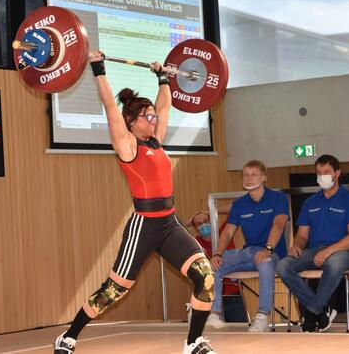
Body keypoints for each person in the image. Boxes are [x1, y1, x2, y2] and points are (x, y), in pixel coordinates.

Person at [53, 51, 216, 354]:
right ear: (132, 121)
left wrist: (163, 77)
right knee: (113, 292)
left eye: (154, 116)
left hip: (169, 223)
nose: (154, 120)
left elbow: (165, 105)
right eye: (147, 117)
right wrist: (98, 68)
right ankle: (68, 337)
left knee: (205, 278)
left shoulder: (156, 140)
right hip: (144, 226)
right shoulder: (127, 146)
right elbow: (111, 108)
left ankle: (193, 343)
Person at [276, 154, 349, 333]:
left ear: (337, 173)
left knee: (333, 262)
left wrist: (329, 251)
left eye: (326, 172)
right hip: (314, 250)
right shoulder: (311, 202)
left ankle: (311, 313)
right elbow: (302, 236)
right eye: (319, 172)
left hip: (343, 251)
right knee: (283, 266)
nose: (322, 176)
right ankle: (321, 309)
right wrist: (297, 246)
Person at [208, 160, 289, 332]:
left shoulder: (278, 198)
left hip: (271, 253)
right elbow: (228, 232)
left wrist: (268, 249)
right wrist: (218, 253)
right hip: (248, 253)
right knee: (214, 265)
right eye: (246, 175)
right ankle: (214, 314)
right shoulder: (239, 204)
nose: (249, 179)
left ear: (264, 177)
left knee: (265, 263)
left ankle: (262, 317)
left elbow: (279, 225)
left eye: (254, 175)